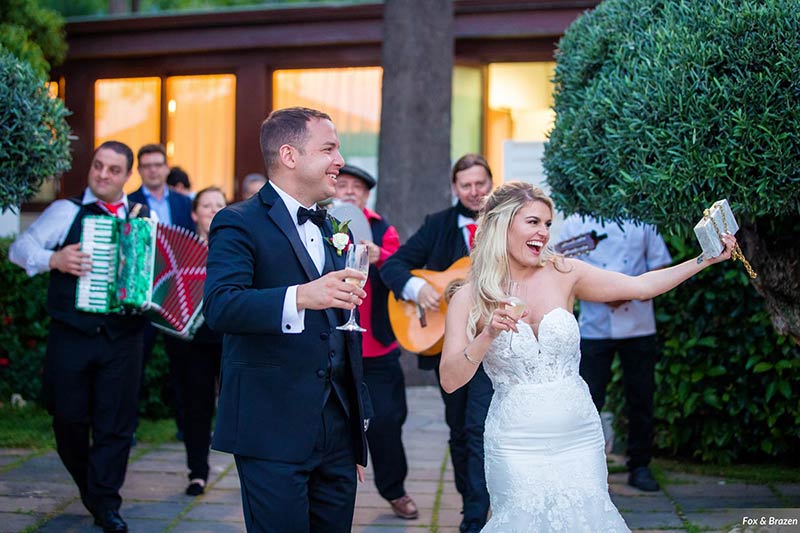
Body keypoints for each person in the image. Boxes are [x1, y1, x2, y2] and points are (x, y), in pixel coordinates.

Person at [439, 182, 736, 531]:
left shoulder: (565, 273)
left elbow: (641, 286)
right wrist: (487, 335)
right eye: (533, 222)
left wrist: (704, 259)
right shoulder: (470, 297)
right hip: (515, 441)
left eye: (548, 224)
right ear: (502, 224)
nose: (544, 233)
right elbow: (450, 379)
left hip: (578, 434)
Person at [203, 107, 372, 532]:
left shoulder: (338, 226)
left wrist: (355, 430)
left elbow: (343, 334)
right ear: (290, 155)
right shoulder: (237, 221)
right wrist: (301, 296)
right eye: (329, 149)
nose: (340, 161)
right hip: (270, 425)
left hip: (336, 428)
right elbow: (221, 306)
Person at [9, 141, 152, 532]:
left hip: (124, 338)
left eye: (113, 170)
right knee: (67, 420)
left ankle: (107, 503)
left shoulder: (142, 219)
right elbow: (20, 248)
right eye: (98, 166)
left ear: (127, 176)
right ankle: (94, 490)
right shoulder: (64, 211)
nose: (103, 175)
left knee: (117, 423)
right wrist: (53, 259)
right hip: (72, 334)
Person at [381, 153, 494, 533]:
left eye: (481, 183)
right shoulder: (438, 225)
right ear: (454, 188)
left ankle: (480, 516)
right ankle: (471, 506)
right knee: (461, 429)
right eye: (466, 185)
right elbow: (394, 265)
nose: (475, 192)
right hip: (451, 348)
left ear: (491, 183)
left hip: (499, 344)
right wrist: (417, 289)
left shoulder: (506, 222)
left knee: (483, 429)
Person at [559, 214, 673, 492]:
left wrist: (630, 291)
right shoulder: (576, 220)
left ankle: (640, 465)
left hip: (639, 324)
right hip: (594, 328)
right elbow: (562, 274)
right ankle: (582, 467)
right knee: (587, 399)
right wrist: (601, 294)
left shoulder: (642, 217)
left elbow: (659, 263)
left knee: (641, 397)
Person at [333, 165, 418, 519]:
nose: (351, 192)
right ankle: (332, 495)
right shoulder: (321, 224)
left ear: (367, 195)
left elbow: (399, 274)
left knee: (386, 421)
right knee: (333, 424)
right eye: (345, 185)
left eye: (359, 188)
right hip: (334, 344)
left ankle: (394, 489)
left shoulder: (384, 230)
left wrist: (381, 256)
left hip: (378, 347)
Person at [129, 144, 195, 442]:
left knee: (183, 365)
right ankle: (126, 428)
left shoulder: (185, 203)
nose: (153, 170)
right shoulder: (129, 202)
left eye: (158, 164)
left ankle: (185, 427)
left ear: (167, 168)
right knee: (133, 363)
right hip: (144, 291)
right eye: (147, 166)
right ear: (140, 171)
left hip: (176, 293)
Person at [166, 186, 226, 496]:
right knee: (196, 408)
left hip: (230, 339)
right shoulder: (182, 250)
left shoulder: (235, 248)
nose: (213, 210)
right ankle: (197, 472)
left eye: (220, 205)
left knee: (239, 407)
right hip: (192, 342)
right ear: (194, 214)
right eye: (207, 206)